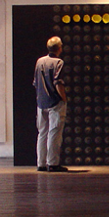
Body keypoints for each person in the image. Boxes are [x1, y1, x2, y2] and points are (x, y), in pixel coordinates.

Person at [33, 36, 68, 171]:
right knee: (54, 132)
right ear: (59, 48)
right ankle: (53, 163)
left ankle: (41, 163)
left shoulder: (39, 61)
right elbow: (58, 82)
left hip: (41, 102)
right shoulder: (59, 62)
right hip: (54, 102)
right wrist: (64, 98)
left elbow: (35, 82)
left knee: (42, 133)